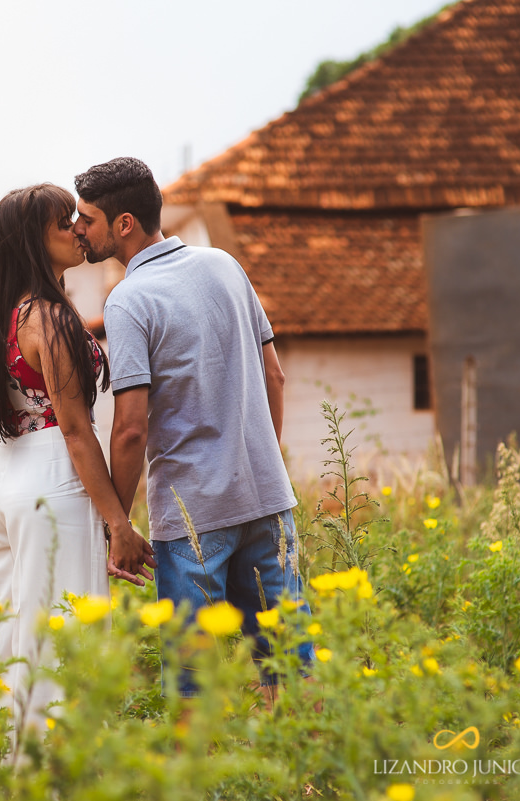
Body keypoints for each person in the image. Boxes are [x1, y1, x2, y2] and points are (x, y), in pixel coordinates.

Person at [72, 156, 312, 697]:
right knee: (291, 664)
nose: (77, 229)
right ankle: (310, 779)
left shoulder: (129, 300)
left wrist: (119, 525)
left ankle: (196, 782)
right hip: (268, 499)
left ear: (124, 223)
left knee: (191, 682)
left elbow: (130, 429)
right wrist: (254, 459)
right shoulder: (224, 264)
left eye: (86, 218)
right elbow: (274, 374)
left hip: (191, 518)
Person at [0, 183, 145, 730]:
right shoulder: (52, 319)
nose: (74, 229)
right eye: (61, 222)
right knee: (62, 645)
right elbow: (73, 428)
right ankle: (57, 781)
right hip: (51, 481)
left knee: (0, 639)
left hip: (1, 482)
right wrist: (119, 521)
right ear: (32, 241)